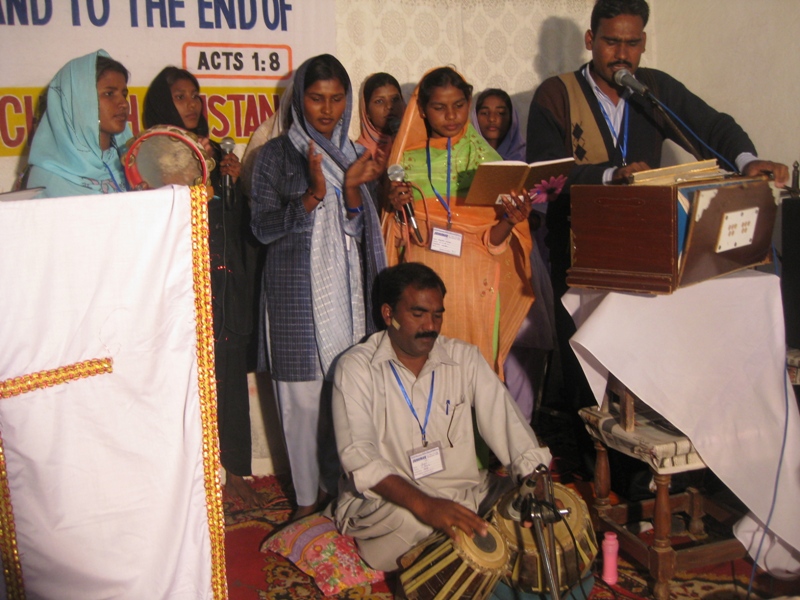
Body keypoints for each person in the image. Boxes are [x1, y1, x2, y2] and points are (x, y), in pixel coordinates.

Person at [526, 0, 789, 421]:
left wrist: (746, 160)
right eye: (612, 42)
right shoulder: (556, 94)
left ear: (644, 43)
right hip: (581, 251)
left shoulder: (652, 91)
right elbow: (545, 172)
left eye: (632, 43)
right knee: (587, 367)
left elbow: (712, 126)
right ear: (591, 40)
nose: (622, 54)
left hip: (647, 253)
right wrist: (611, 176)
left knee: (644, 362)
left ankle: (647, 447)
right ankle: (591, 451)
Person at [330, 262, 552, 572]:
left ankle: (472, 548)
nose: (430, 326)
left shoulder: (464, 358)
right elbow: (359, 457)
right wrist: (426, 505)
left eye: (437, 315)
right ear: (388, 314)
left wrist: (533, 483)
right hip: (389, 503)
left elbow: (508, 424)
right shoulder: (356, 368)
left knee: (528, 508)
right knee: (413, 522)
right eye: (418, 314)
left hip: (465, 493)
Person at [249, 54, 387, 520]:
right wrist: (311, 197)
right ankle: (307, 503)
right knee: (302, 406)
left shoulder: (355, 155)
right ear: (299, 100)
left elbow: (360, 233)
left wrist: (352, 193)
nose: (327, 110)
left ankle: (345, 493)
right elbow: (262, 229)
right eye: (315, 98)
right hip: (294, 300)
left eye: (336, 98)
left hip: (349, 299)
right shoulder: (275, 155)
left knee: (348, 400)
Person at [142, 66, 261, 506]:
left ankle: (235, 471)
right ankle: (199, 478)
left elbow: (237, 224)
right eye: (180, 96)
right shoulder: (153, 154)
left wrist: (234, 182)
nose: (191, 104)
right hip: (183, 288)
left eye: (195, 95)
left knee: (229, 378)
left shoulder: (212, 153)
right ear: (162, 103)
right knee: (190, 384)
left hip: (225, 282)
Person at [384, 67, 535, 380]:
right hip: (421, 293)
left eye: (459, 105)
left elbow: (493, 242)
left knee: (473, 378)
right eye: (439, 107)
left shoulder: (488, 162)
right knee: (425, 378)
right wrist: (395, 209)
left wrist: (511, 220)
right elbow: (396, 238)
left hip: (475, 289)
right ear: (422, 110)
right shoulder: (405, 162)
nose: (451, 116)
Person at [471, 89, 556, 423]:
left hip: (522, 260)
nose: (493, 119)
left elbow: (541, 217)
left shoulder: (526, 161)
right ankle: (487, 429)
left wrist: (522, 217)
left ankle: (522, 427)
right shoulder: (468, 158)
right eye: (485, 112)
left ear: (512, 118)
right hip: (482, 257)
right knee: (486, 340)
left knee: (523, 340)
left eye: (501, 112)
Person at [27, 50, 132, 197]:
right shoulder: (47, 180)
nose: (123, 103)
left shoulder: (131, 163)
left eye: (124, 94)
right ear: (79, 102)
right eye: (109, 94)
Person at [356, 72, 406, 160]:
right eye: (379, 101)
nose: (389, 106)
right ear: (366, 111)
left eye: (395, 99)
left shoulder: (417, 142)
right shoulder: (358, 153)